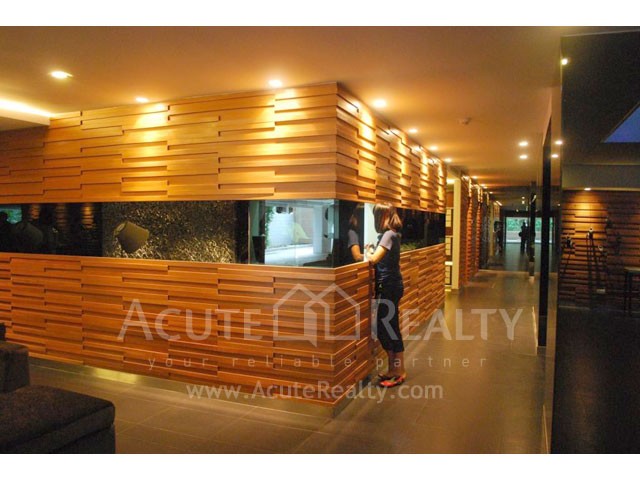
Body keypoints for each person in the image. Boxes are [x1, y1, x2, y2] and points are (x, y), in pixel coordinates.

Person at [365, 203, 406, 388]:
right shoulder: (391, 234)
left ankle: (399, 372)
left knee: (388, 328)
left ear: (382, 216)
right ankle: (393, 370)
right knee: (387, 327)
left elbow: (374, 259)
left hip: (389, 287)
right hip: (390, 286)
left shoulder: (389, 234)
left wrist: (368, 251)